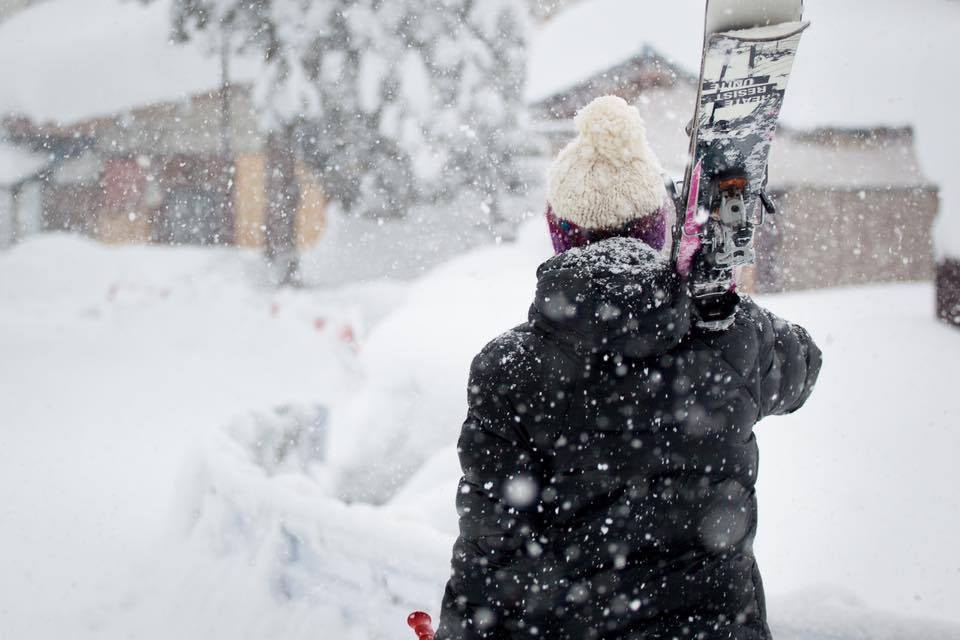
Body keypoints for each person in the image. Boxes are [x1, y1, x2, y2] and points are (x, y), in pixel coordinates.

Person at [434, 95, 822, 640]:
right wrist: (720, 291)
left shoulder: (508, 369)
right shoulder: (727, 335)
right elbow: (804, 368)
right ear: (657, 227)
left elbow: (490, 551)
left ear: (557, 230)